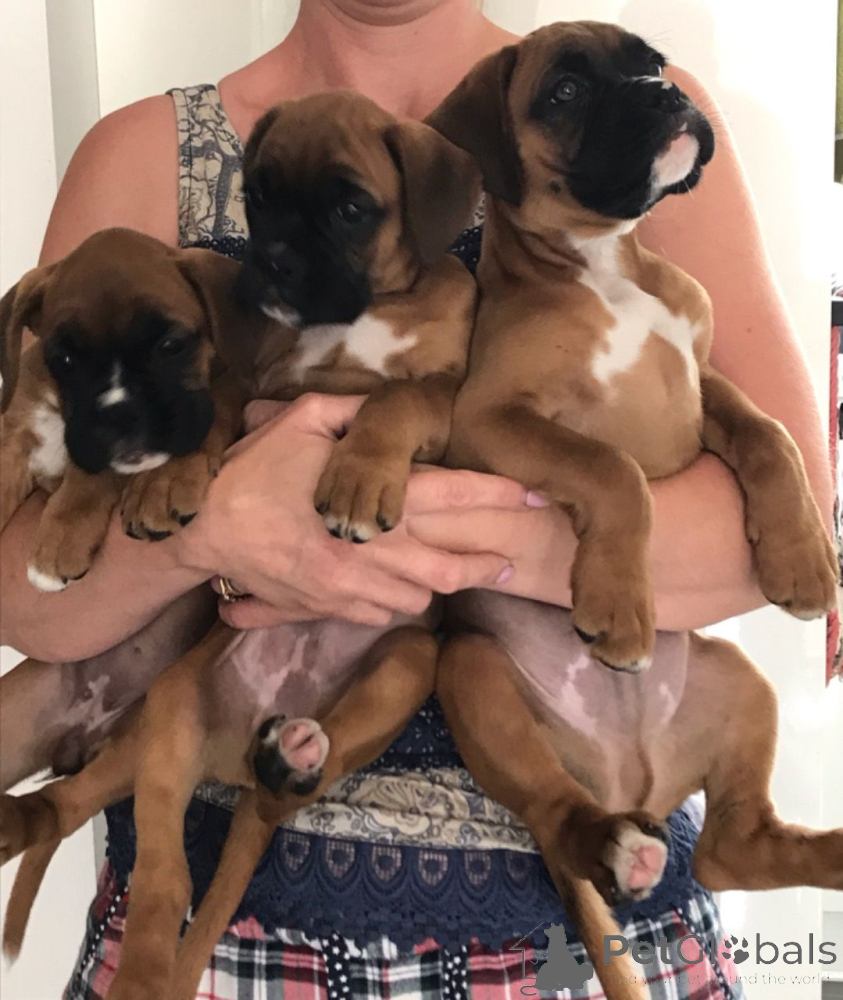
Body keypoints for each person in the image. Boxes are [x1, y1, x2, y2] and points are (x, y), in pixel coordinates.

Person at [0, 0, 831, 997]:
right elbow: (23, 593)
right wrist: (206, 534)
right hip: (221, 938)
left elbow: (787, 542)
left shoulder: (633, 114)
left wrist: (428, 539)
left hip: (592, 917)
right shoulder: (144, 150)